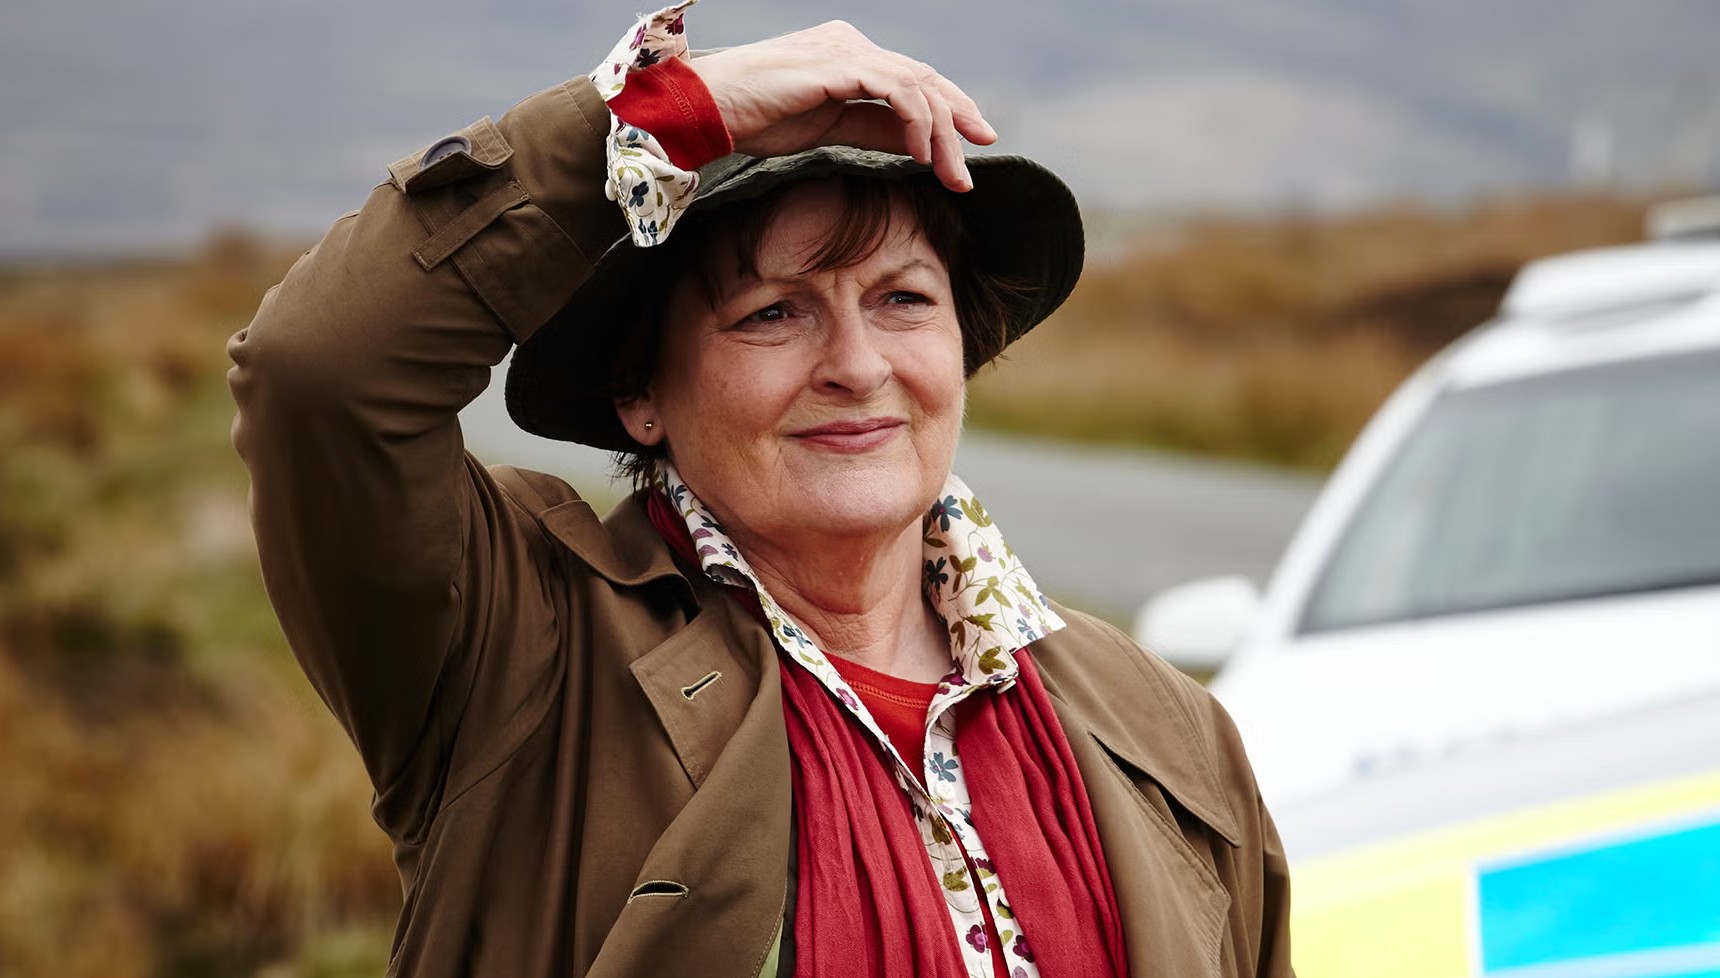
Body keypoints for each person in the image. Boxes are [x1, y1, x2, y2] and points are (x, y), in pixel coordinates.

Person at [226, 4, 1293, 977]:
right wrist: (652, 121)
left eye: (903, 300)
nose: (858, 365)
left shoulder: (1164, 731)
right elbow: (321, 375)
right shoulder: (526, 659)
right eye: (772, 313)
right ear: (640, 391)